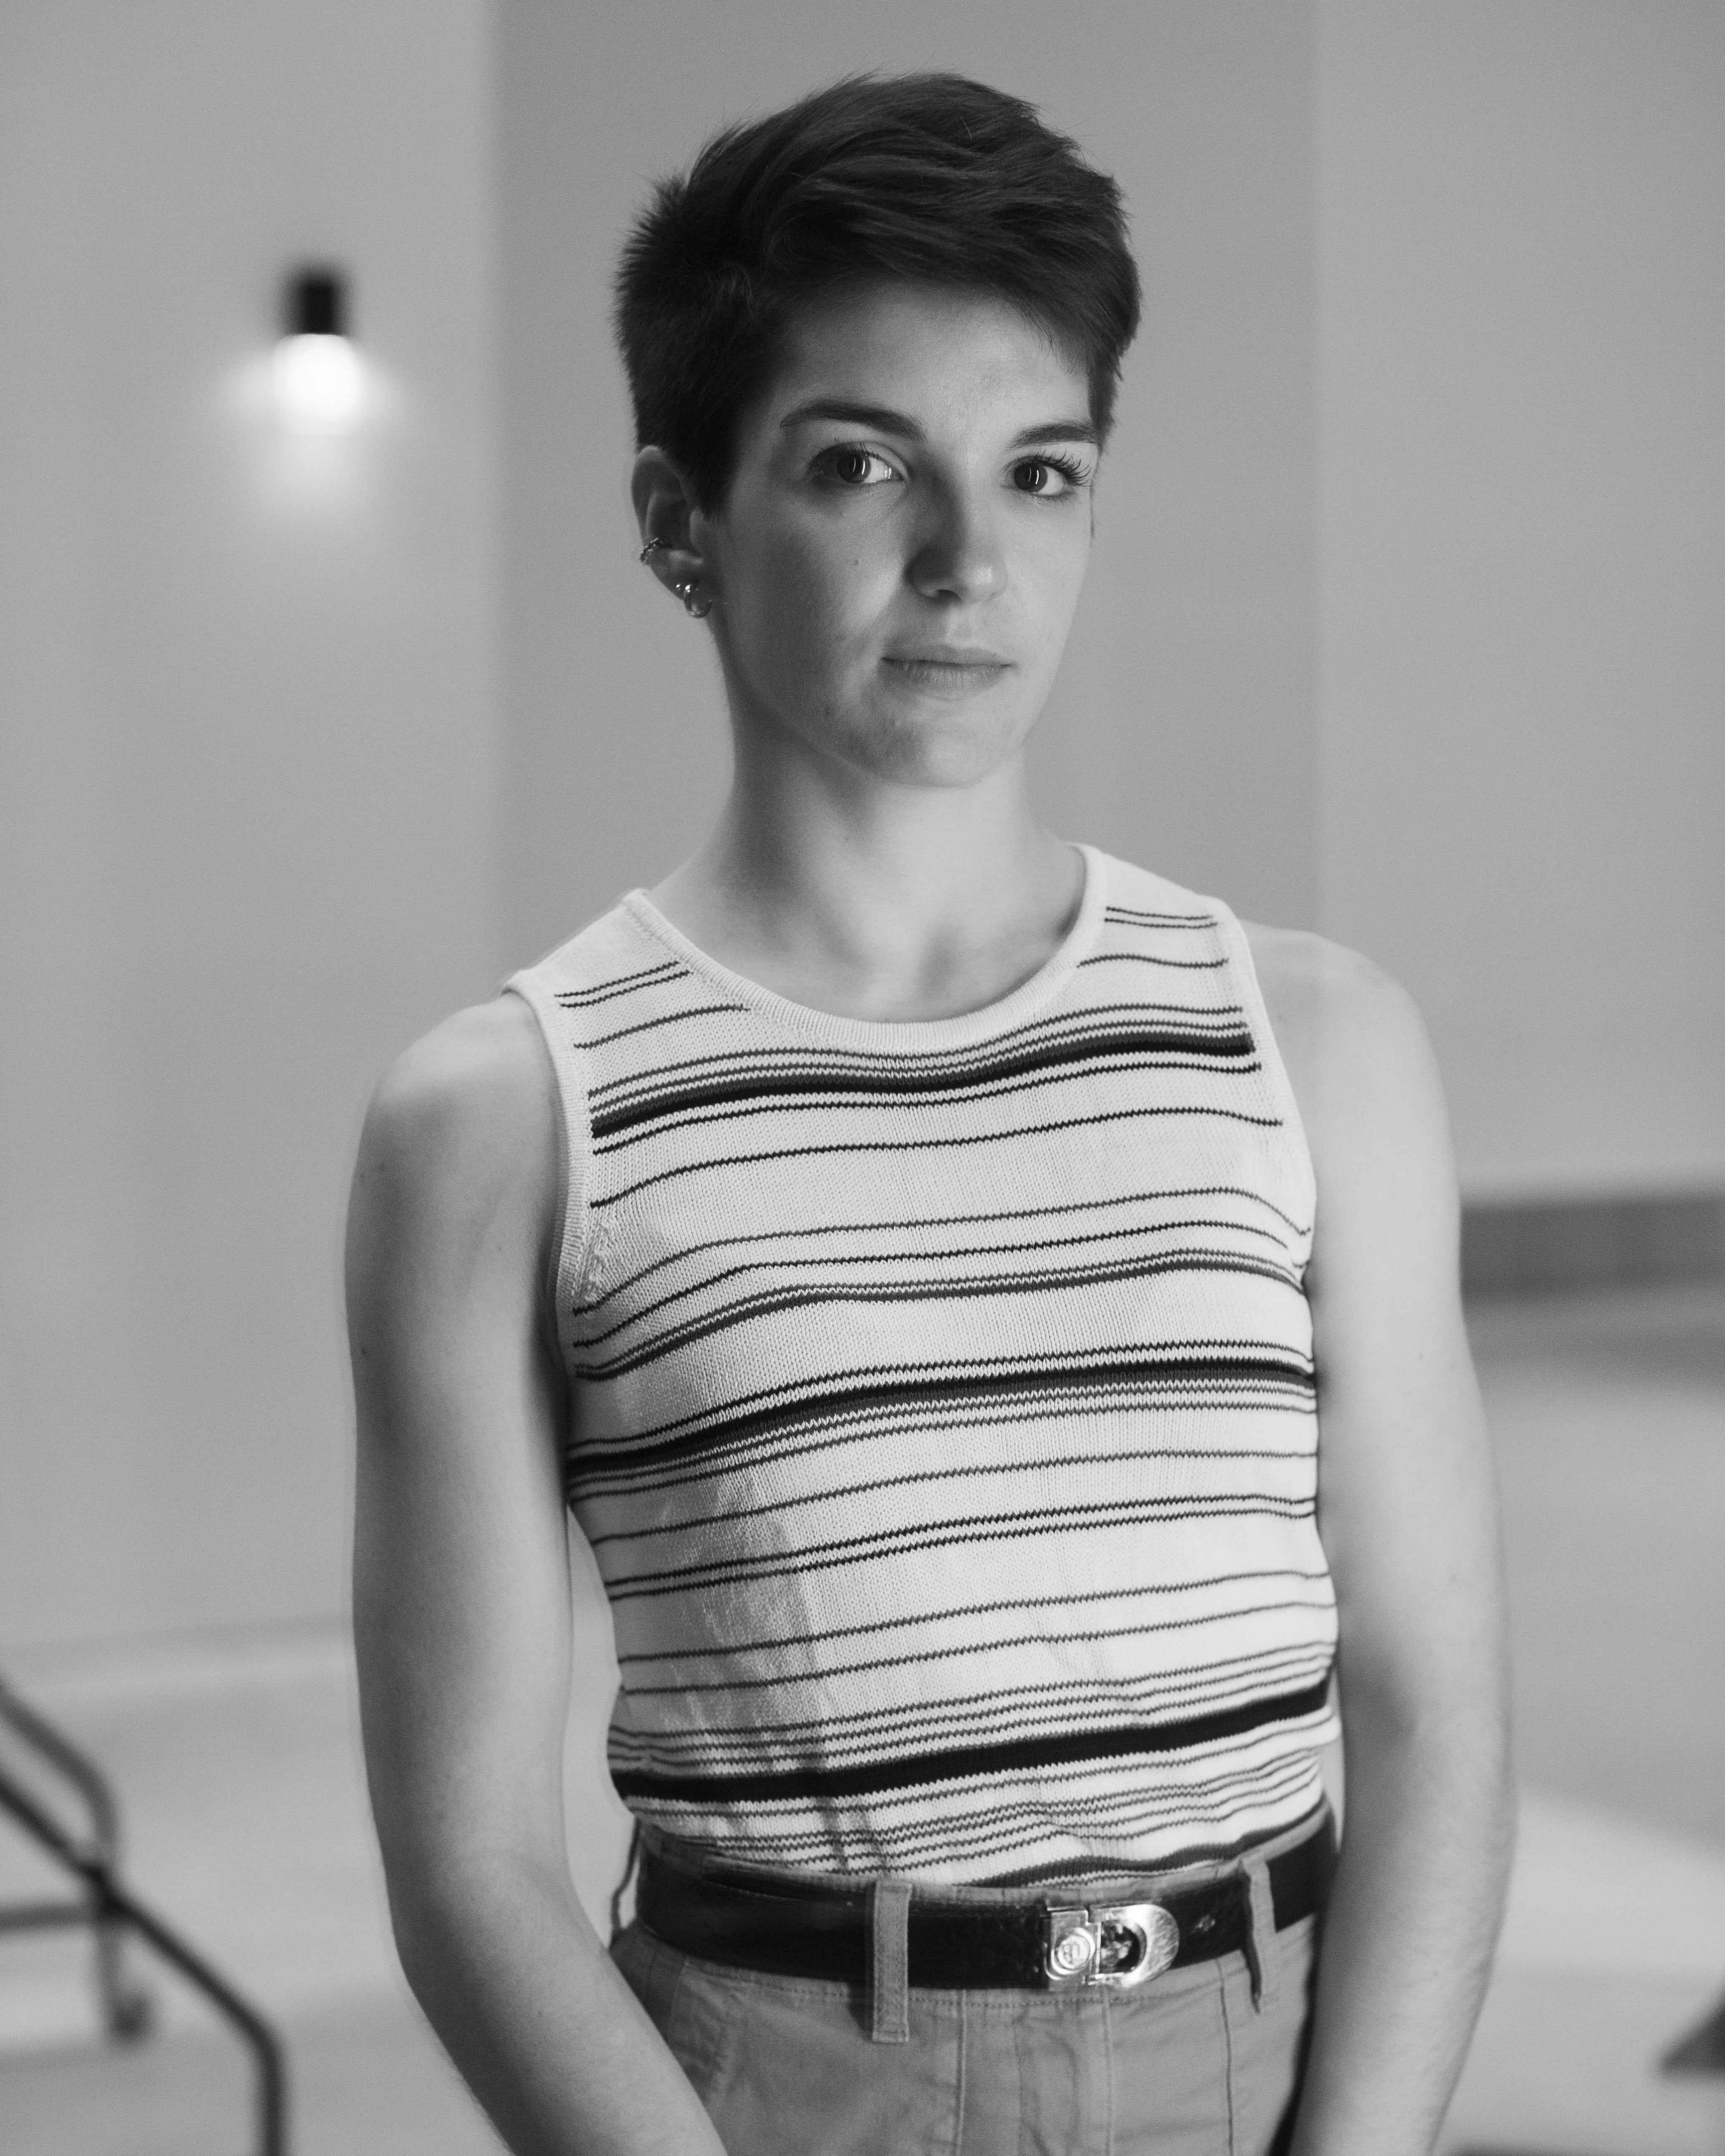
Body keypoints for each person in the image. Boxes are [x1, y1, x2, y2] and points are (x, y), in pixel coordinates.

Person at [345, 72, 1513, 2156]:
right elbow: (469, 1861)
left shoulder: (1314, 1043)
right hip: (780, 2084)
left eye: (1040, 471)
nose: (970, 560)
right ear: (676, 518)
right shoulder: (509, 1116)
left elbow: (1428, 1703)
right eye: (861, 463)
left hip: (1272, 2049)